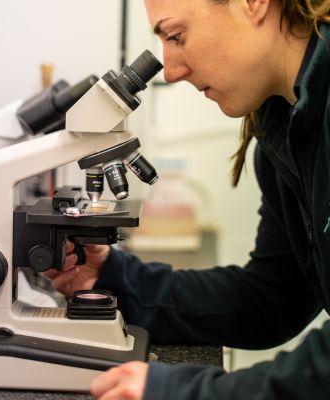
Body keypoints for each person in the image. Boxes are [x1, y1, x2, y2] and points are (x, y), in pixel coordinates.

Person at [45, 0, 330, 398]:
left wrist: (187, 393)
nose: (173, 71)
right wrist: (112, 278)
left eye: (176, 36)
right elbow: (270, 301)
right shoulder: (282, 129)